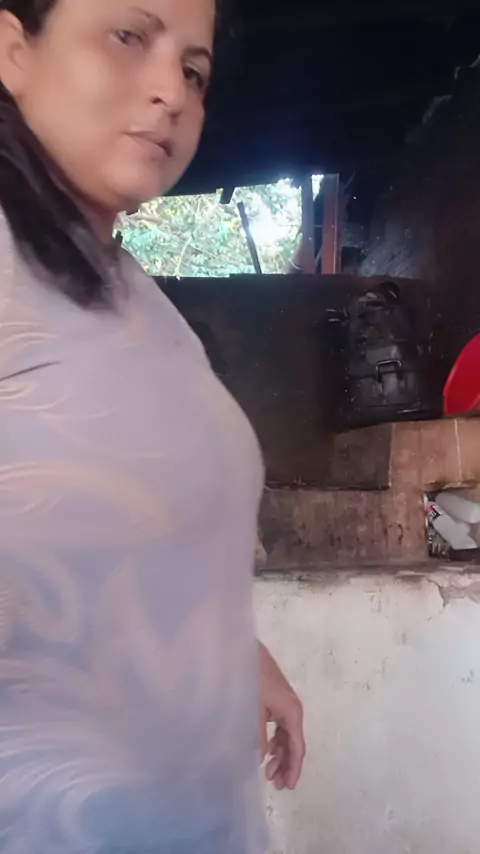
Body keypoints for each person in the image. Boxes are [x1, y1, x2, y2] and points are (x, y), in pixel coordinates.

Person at [0, 0, 305, 851]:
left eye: (195, 71)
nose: (172, 89)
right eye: (129, 36)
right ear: (12, 50)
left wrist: (230, 649)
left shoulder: (133, 295)